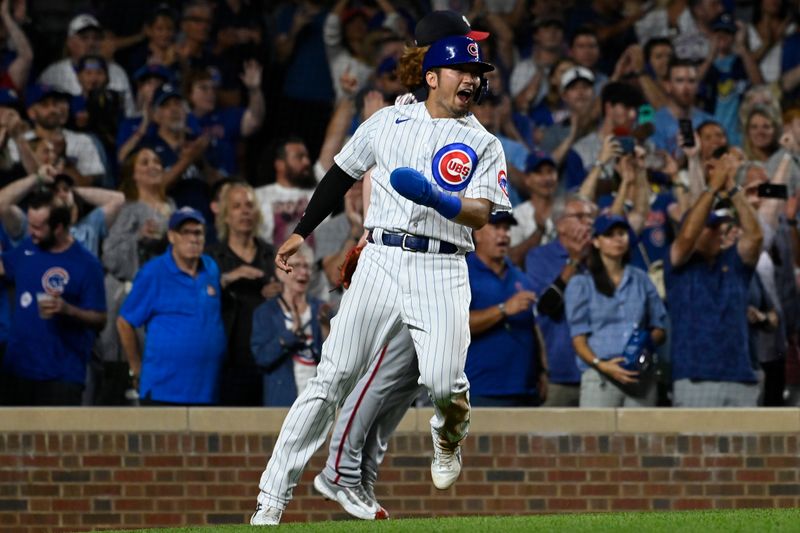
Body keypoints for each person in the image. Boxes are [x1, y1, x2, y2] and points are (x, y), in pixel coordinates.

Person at [250, 34, 510, 526]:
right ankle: (271, 500)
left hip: (442, 263)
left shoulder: (483, 141)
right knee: (331, 379)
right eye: (463, 71)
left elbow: (481, 213)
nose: (473, 80)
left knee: (442, 382)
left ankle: (449, 437)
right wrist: (302, 232)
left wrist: (441, 200)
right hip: (380, 259)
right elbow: (339, 175)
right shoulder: (387, 121)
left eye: (479, 74)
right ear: (433, 77)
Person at [666, 154, 763, 407]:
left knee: (746, 448)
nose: (719, 231)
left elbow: (755, 236)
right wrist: (710, 189)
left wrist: (731, 187)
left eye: (720, 226)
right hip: (695, 376)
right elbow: (687, 236)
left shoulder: (734, 262)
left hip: (740, 376)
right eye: (711, 227)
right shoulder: (679, 264)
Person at [0, 186, 106, 406]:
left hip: (62, 375)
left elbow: (99, 318)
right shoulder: (29, 247)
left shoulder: (87, 265)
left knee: (59, 441)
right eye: (30, 224)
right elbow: (5, 267)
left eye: (38, 227)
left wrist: (68, 310)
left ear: (59, 228)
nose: (31, 232)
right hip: (18, 369)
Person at [117, 207, 226, 405]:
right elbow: (125, 321)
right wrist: (135, 367)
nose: (193, 239)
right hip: (163, 390)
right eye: (185, 232)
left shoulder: (210, 268)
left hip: (207, 389)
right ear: (171, 236)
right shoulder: (154, 272)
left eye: (198, 232)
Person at [565, 213, 667, 407]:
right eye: (609, 235)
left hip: (640, 374)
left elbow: (660, 326)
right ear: (596, 242)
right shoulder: (582, 283)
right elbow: (578, 338)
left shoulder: (641, 279)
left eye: (622, 233)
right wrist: (601, 365)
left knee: (640, 436)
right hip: (600, 375)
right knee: (596, 436)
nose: (618, 239)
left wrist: (642, 346)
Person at [206, 182, 279, 406]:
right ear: (226, 216)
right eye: (237, 206)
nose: (245, 211)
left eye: (249, 205)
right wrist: (228, 278)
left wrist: (280, 292)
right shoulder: (212, 257)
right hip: (229, 357)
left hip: (268, 354)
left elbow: (294, 291)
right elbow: (199, 296)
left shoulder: (271, 254)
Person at [467, 211, 547, 406]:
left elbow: (533, 328)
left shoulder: (520, 277)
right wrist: (503, 309)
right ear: (477, 233)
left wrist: (543, 371)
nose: (503, 234)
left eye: (507, 229)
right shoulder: (464, 272)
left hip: (525, 388)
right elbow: (456, 326)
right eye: (496, 228)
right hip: (482, 388)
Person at [527, 195, 596, 407]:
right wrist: (575, 261)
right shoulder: (540, 257)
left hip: (599, 371)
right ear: (560, 225)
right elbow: (546, 307)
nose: (588, 222)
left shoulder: (600, 255)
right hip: (560, 371)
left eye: (590, 216)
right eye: (580, 216)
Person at [251, 245, 327, 406]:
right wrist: (290, 335)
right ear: (280, 272)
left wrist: (325, 327)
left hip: (317, 401)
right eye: (297, 266)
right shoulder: (266, 313)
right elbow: (262, 358)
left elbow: (333, 361)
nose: (303, 272)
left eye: (307, 266)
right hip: (282, 401)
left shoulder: (321, 311)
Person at [38, 13, 135, 117]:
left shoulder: (117, 72)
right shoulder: (53, 74)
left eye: (96, 38)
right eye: (84, 38)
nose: (91, 43)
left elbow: (129, 113)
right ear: (70, 43)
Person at [184, 62, 265, 178]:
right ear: (189, 94)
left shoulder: (226, 116)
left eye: (213, 89)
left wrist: (254, 90)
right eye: (203, 88)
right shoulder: (182, 121)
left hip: (228, 184)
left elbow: (255, 121)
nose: (210, 93)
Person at [651, 59, 716, 157]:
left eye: (691, 81)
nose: (686, 88)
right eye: (679, 81)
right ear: (668, 85)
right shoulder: (655, 124)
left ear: (697, 85)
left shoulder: (710, 122)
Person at [509, 151, 558, 267]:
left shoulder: (566, 210)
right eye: (539, 173)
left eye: (550, 172)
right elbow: (512, 259)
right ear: (527, 179)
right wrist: (539, 232)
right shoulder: (517, 216)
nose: (546, 179)